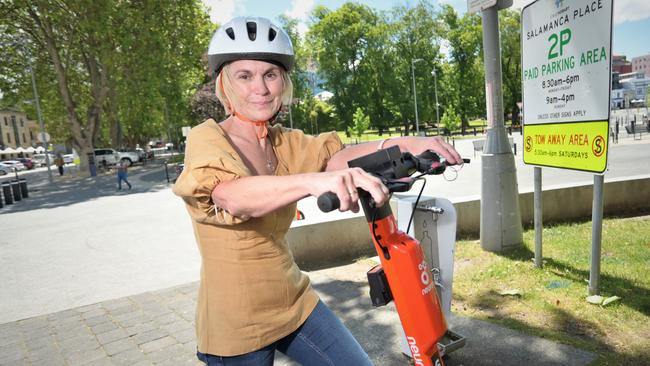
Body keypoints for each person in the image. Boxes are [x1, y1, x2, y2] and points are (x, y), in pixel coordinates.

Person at [173, 16, 463, 366]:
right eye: (244, 76)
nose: (260, 88)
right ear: (225, 83)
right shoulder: (207, 137)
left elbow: (335, 158)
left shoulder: (284, 142)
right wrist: (312, 182)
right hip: (236, 323)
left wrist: (405, 143)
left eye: (270, 74)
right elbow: (231, 196)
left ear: (284, 81)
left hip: (294, 301)